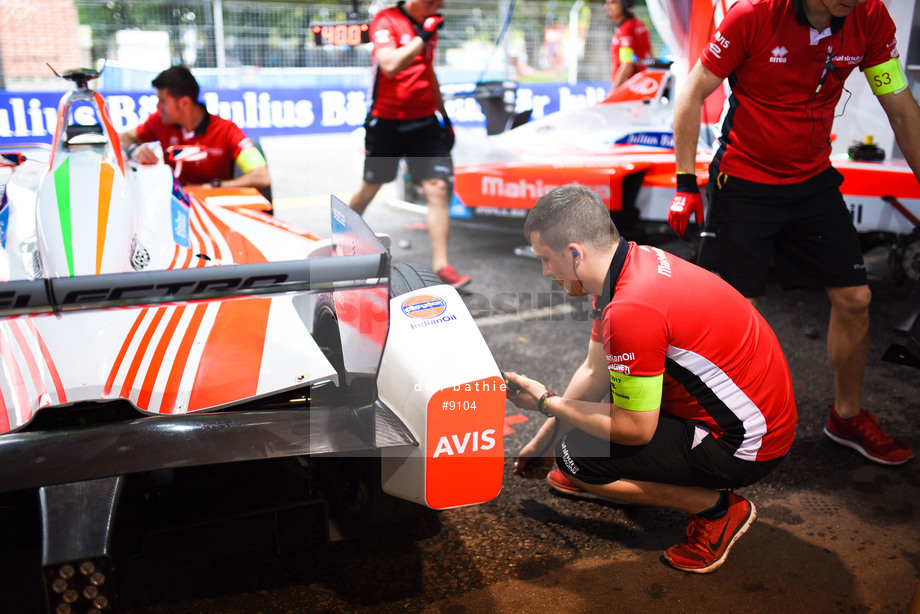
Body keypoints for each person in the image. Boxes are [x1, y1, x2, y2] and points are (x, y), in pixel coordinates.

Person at [668, 0, 918, 464]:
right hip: (744, 181)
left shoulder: (869, 17)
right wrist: (685, 183)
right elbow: (690, 93)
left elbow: (900, 107)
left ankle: (846, 416)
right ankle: (721, 425)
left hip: (812, 179)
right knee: (736, 312)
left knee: (856, 298)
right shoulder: (754, 15)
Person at [506, 183, 798, 573]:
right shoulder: (628, 264)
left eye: (546, 259)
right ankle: (611, 471)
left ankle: (717, 510)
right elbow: (594, 372)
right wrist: (542, 441)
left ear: (575, 253)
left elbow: (635, 429)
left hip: (747, 445)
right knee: (587, 427)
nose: (545, 272)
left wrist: (546, 403)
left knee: (576, 455)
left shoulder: (630, 309)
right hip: (752, 414)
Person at [348, 0, 470, 289]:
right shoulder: (386, 20)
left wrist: (444, 116)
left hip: (424, 123)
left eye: (439, 2)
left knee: (437, 188)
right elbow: (389, 65)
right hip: (387, 123)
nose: (437, 5)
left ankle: (442, 267)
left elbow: (427, 71)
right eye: (431, 1)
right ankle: (338, 246)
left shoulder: (429, 26)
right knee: (371, 186)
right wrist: (422, 37)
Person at [120, 65, 271, 192]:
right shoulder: (158, 121)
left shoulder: (227, 130)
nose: (158, 107)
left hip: (214, 209)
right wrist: (134, 150)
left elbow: (261, 176)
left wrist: (214, 186)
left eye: (163, 101)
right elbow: (124, 138)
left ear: (185, 103)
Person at [605, 0, 652, 91]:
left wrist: (613, 92)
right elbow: (650, 54)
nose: (607, 7)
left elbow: (627, 64)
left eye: (613, 2)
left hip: (628, 88)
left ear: (625, 4)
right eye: (607, 3)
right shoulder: (641, 24)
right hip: (642, 85)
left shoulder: (625, 29)